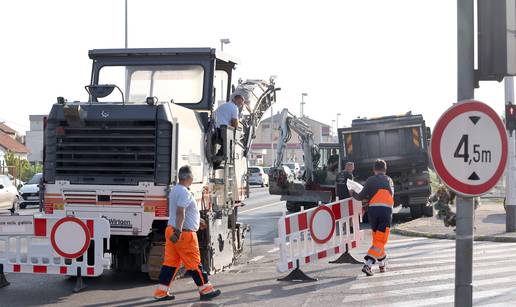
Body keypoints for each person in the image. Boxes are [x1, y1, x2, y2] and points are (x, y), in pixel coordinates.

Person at [153, 166, 221, 301]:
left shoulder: (174, 190)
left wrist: (197, 220)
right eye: (192, 177)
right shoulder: (184, 192)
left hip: (171, 230)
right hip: (183, 234)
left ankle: (161, 292)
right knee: (194, 263)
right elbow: (180, 212)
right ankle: (206, 290)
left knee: (170, 263)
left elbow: (182, 212)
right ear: (188, 178)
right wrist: (178, 231)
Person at [350, 159, 394, 276]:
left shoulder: (370, 180)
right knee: (381, 240)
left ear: (374, 169)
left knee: (377, 240)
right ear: (385, 169)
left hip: (373, 212)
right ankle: (368, 264)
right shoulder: (389, 180)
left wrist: (353, 193)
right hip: (385, 212)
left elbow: (360, 197)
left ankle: (382, 264)